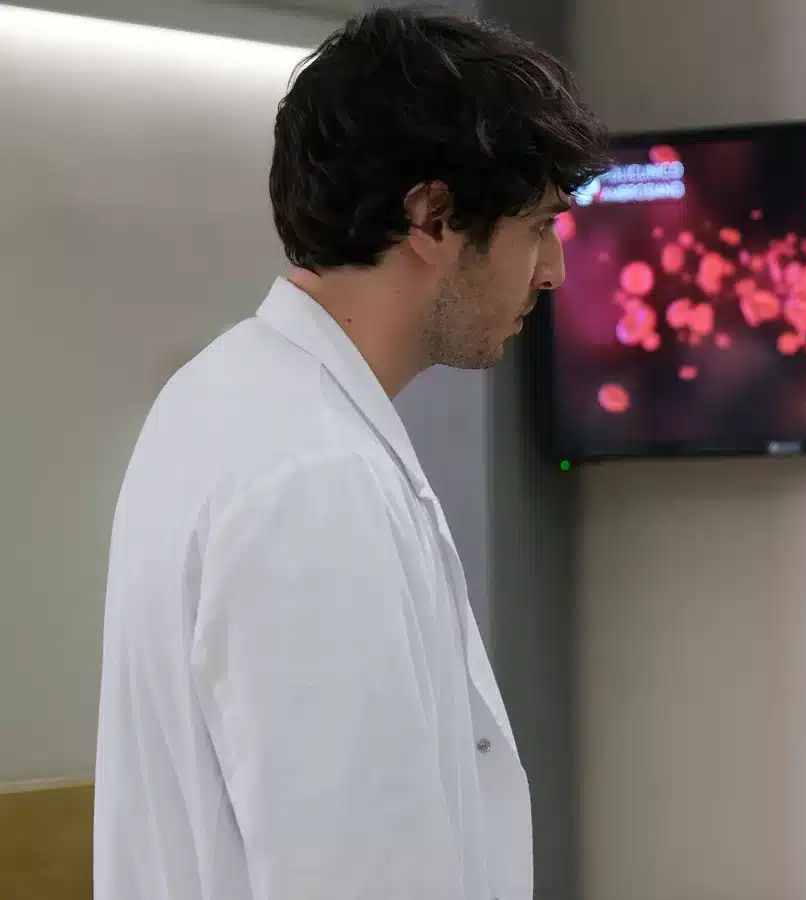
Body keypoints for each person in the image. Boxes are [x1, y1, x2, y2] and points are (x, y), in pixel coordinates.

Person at [94, 10, 608, 900]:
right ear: (432, 218)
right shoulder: (314, 478)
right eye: (537, 226)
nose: (553, 270)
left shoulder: (229, 399)